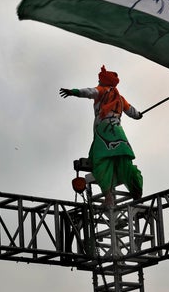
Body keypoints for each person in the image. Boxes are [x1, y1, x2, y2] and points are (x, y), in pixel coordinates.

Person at [60, 66, 143, 206]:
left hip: (104, 131)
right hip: (119, 133)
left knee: (100, 161)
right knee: (124, 161)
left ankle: (109, 197)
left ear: (104, 82)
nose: (98, 82)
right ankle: (136, 192)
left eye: (99, 80)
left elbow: (89, 92)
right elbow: (132, 112)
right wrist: (139, 114)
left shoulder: (102, 90)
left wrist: (73, 92)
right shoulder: (120, 98)